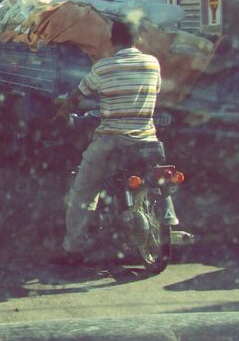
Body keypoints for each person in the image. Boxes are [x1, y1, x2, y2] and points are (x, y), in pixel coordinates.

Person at [54, 16, 162, 264]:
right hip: (148, 141)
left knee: (84, 191)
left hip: (111, 140)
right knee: (156, 181)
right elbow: (155, 92)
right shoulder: (152, 64)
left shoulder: (103, 68)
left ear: (112, 41)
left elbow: (77, 95)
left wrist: (62, 113)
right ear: (139, 40)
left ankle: (73, 249)